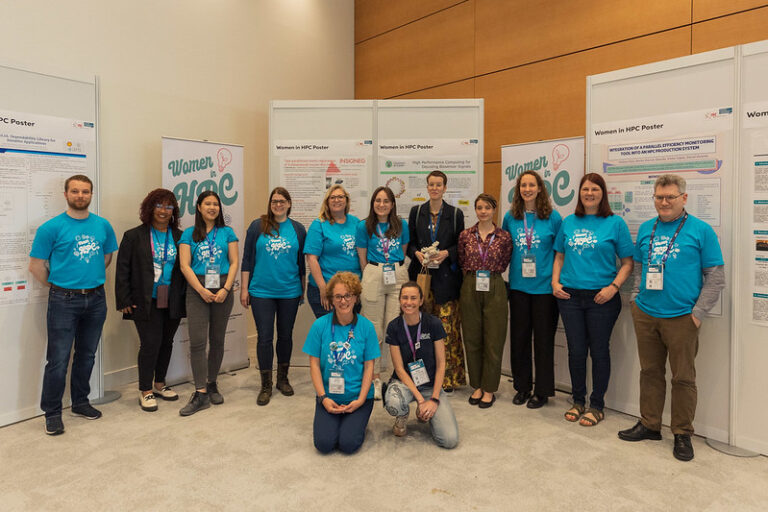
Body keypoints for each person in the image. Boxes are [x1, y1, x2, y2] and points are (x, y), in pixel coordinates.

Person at [618, 174, 724, 462]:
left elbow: (715, 277)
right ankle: (650, 424)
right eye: (659, 197)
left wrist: (697, 314)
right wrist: (636, 298)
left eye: (670, 197)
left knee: (683, 378)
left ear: (683, 198)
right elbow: (639, 267)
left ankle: (682, 433)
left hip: (682, 318)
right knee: (649, 372)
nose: (664, 202)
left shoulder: (701, 230)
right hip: (646, 313)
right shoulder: (646, 228)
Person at [28, 174, 118, 435]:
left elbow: (107, 257)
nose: (81, 196)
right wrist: (59, 285)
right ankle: (52, 413)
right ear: (66, 194)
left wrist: (88, 280)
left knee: (87, 355)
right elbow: (35, 266)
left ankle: (80, 402)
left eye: (85, 191)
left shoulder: (102, 225)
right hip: (63, 300)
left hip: (96, 298)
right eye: (75, 191)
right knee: (58, 359)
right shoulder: (51, 228)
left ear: (91, 194)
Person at [552, 173, 634, 427]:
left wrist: (613, 287)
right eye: (585, 189)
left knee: (599, 351)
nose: (589, 193)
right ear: (580, 193)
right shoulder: (568, 222)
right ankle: (578, 401)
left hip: (602, 298)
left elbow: (628, 263)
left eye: (595, 189)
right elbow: (559, 256)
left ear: (603, 193)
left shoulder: (615, 223)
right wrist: (555, 283)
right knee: (576, 351)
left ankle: (597, 405)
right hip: (570, 296)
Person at [115, 189, 187, 412]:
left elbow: (186, 269)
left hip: (173, 298)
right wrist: (124, 299)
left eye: (168, 206)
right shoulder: (133, 236)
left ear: (174, 210)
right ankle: (145, 389)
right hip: (145, 299)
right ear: (150, 207)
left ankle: (160, 384)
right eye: (159, 205)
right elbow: (122, 269)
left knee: (167, 342)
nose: (163, 211)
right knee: (150, 344)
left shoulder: (180, 236)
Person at [502, 171, 562, 409]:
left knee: (544, 342)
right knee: (519, 339)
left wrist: (556, 281)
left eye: (531, 185)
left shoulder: (553, 217)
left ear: (539, 188)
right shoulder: (511, 217)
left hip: (545, 289)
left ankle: (542, 391)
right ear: (518, 189)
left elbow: (560, 253)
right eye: (523, 185)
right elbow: (504, 249)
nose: (527, 189)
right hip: (518, 287)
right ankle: (522, 387)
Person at [241, 187, 306, 406]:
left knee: (285, 336)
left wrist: (303, 289)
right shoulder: (257, 226)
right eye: (274, 201)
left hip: (290, 291)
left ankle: (282, 379)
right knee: (265, 338)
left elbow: (301, 264)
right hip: (261, 292)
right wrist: (244, 289)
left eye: (282, 201)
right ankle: (266, 384)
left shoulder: (298, 229)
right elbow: (247, 259)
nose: (278, 205)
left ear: (289, 204)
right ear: (270, 204)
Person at [303, 272, 380, 454]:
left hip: (358, 398)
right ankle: (339, 420)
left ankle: (356, 420)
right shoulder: (320, 326)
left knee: (348, 444)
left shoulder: (367, 327)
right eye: (338, 296)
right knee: (324, 444)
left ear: (356, 297)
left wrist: (360, 400)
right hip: (328, 397)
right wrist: (323, 398)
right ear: (331, 299)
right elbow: (314, 365)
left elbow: (369, 367)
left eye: (348, 295)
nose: (343, 301)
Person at [178, 191, 239, 416]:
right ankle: (200, 393)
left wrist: (226, 289)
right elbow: (185, 265)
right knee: (197, 342)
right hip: (197, 289)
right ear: (199, 207)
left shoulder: (227, 232)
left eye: (216, 204)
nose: (212, 207)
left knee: (217, 340)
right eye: (207, 203)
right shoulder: (188, 234)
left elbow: (234, 262)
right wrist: (201, 290)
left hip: (223, 288)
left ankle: (212, 383)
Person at [407, 170, 466, 392]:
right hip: (422, 279)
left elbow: (461, 244)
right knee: (421, 331)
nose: (434, 188)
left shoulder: (455, 214)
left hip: (446, 281)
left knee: (447, 331)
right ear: (427, 187)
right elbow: (410, 243)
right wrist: (416, 253)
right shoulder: (417, 212)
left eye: (438, 185)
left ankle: (449, 379)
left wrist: (446, 253)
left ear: (445, 188)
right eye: (431, 184)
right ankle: (423, 376)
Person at [383, 282, 459, 448]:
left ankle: (426, 412)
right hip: (404, 383)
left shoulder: (433, 324)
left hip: (430, 385)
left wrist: (434, 399)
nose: (408, 302)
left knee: (450, 440)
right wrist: (421, 400)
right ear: (399, 300)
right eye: (405, 298)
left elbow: (441, 364)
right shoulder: (394, 327)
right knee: (394, 403)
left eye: (413, 298)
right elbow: (399, 369)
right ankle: (403, 414)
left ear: (421, 300)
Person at [458, 193, 512, 409]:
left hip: (495, 284)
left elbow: (506, 260)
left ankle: (489, 388)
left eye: (487, 208)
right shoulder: (465, 235)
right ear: (475, 210)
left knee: (494, 339)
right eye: (479, 207)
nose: (483, 211)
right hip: (470, 284)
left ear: (494, 210)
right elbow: (461, 259)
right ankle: (477, 385)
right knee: (471, 337)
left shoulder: (504, 237)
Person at [356, 186, 409, 399]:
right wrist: (371, 273)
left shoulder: (401, 225)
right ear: (373, 203)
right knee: (374, 329)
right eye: (378, 200)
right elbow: (362, 256)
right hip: (373, 273)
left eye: (386, 201)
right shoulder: (364, 226)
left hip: (397, 274)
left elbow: (403, 251)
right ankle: (375, 378)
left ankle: (397, 377)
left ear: (392, 204)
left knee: (395, 328)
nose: (381, 204)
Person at [304, 185, 361, 318]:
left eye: (340, 197)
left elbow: (362, 253)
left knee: (349, 328)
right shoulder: (319, 224)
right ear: (327, 201)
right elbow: (312, 259)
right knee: (330, 328)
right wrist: (323, 288)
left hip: (352, 290)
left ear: (346, 200)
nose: (337, 200)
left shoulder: (356, 223)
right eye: (333, 197)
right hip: (328, 289)